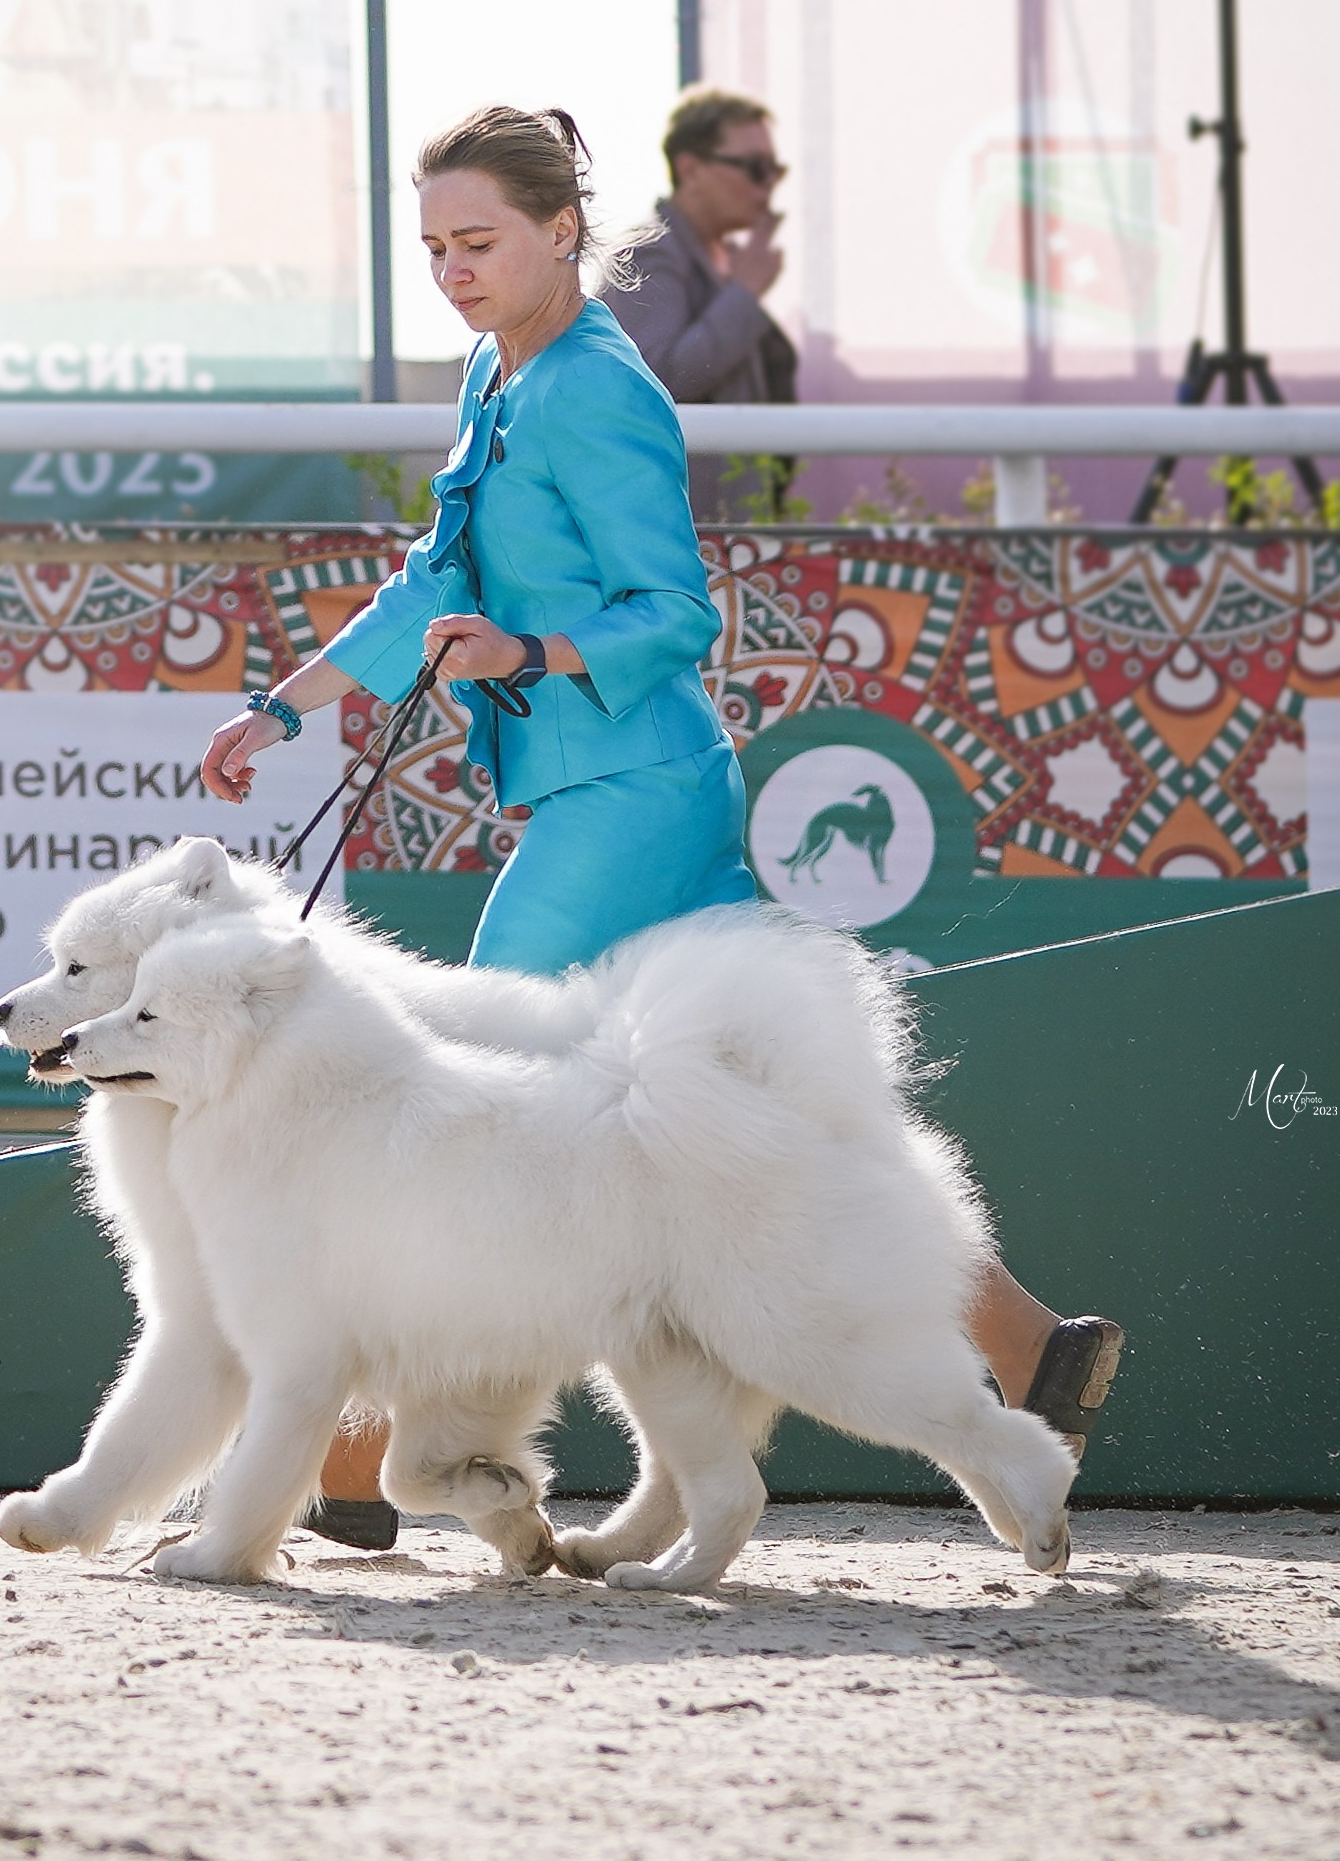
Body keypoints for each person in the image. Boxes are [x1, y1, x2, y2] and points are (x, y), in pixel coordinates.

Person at [201, 103, 1122, 1549]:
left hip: (628, 792)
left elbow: (675, 610)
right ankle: (1031, 1345)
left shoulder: (596, 388)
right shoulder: (493, 377)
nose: (451, 266)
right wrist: (286, 702)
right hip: (609, 792)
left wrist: (529, 654)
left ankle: (359, 1448)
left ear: (563, 229)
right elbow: (430, 574)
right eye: (433, 244)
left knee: (481, 1065)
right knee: (782, 1110)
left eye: (479, 240)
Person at [606, 84, 798, 520]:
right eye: (753, 167)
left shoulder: (717, 260)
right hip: (678, 541)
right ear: (690, 169)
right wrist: (744, 294)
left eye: (774, 169)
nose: (768, 184)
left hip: (726, 536)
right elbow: (656, 383)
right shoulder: (647, 254)